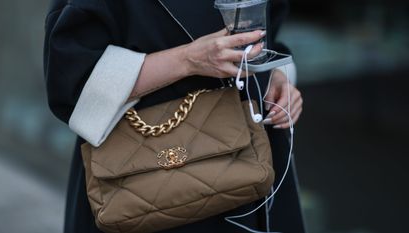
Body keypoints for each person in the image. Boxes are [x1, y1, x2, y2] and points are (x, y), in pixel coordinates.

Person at [44, 0, 305, 232]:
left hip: (255, 170)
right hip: (151, 184)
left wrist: (276, 76)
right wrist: (188, 60)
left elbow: (268, 28)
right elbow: (73, 82)